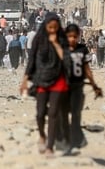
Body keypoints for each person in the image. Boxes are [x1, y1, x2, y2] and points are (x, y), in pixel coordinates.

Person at [20, 13, 69, 156]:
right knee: (40, 113)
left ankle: (50, 147)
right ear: (45, 26)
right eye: (50, 27)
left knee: (53, 113)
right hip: (41, 79)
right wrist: (25, 80)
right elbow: (31, 60)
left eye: (55, 27)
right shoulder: (39, 39)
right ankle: (42, 135)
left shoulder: (61, 39)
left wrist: (55, 43)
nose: (53, 30)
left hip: (57, 80)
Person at [59, 24, 101, 155]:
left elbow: (87, 69)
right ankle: (65, 144)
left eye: (74, 36)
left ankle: (77, 142)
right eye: (69, 36)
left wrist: (94, 85)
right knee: (63, 115)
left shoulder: (83, 50)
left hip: (77, 87)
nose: (72, 39)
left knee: (76, 115)